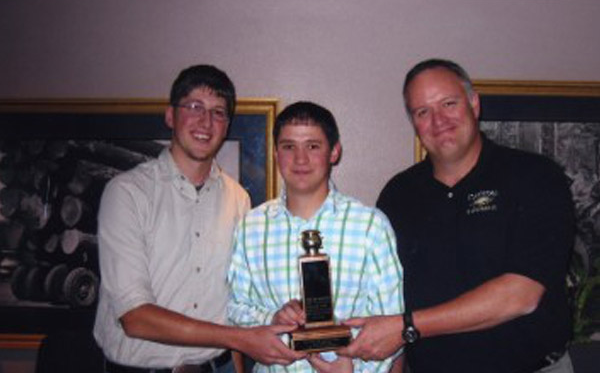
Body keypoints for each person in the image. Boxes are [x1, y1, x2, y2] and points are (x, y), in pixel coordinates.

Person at [339, 59, 575, 373]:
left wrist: (408, 326)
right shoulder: (398, 195)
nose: (439, 121)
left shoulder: (535, 177)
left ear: (473, 104)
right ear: (414, 122)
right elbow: (390, 301)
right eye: (423, 111)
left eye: (448, 104)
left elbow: (521, 295)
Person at [93, 65, 303, 373]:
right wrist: (243, 338)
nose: (206, 121)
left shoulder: (238, 199)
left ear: (227, 125)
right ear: (170, 116)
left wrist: (277, 316)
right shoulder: (127, 193)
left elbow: (234, 301)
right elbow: (135, 317)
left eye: (218, 112)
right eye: (194, 107)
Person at [227, 102, 404, 373]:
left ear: (334, 152)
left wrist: (355, 371)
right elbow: (236, 309)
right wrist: (272, 318)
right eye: (289, 147)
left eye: (313, 146)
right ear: (275, 153)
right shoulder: (250, 227)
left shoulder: (370, 226)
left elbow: (391, 322)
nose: (300, 159)